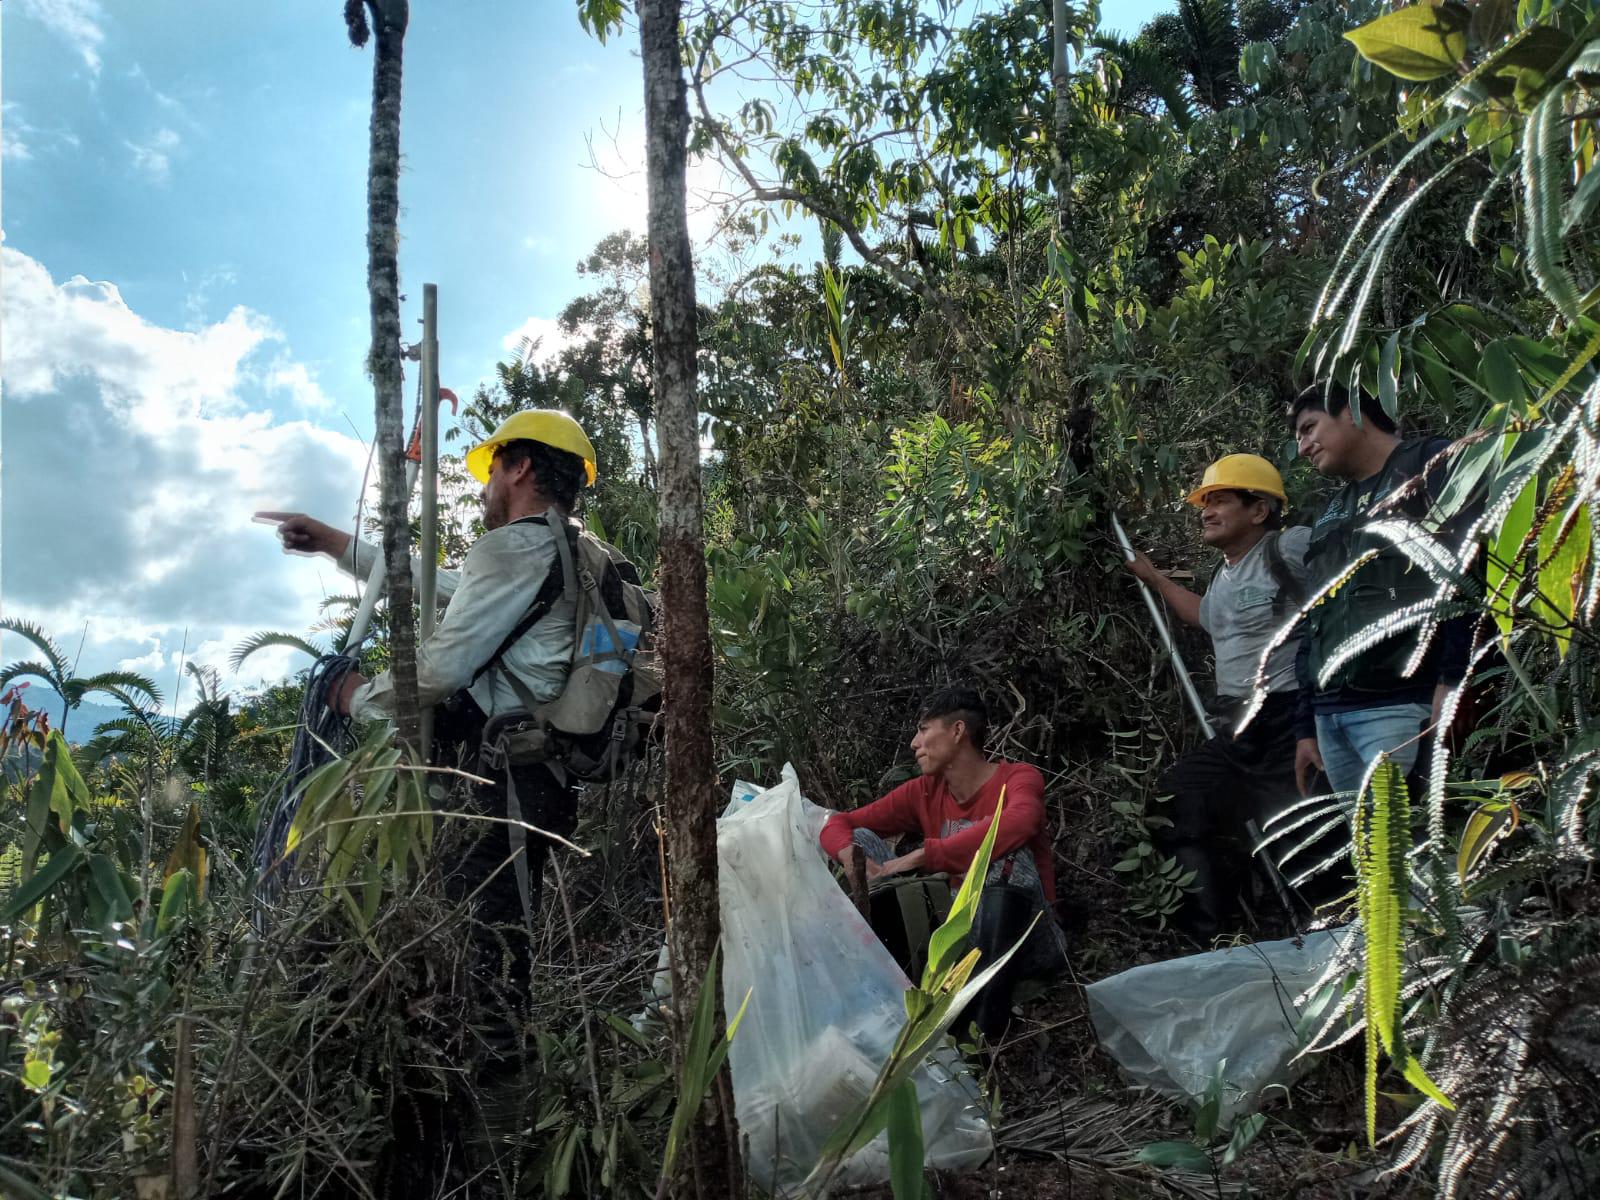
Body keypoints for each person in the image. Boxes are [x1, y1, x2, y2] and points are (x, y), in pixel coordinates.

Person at [258, 408, 598, 1186]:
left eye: (491, 469)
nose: (483, 485)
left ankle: (494, 1147)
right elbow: (447, 589)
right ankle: (488, 1128)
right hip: (536, 783)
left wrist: (354, 700)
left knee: (487, 958)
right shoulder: (567, 553)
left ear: (517, 468)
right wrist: (341, 545)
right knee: (494, 950)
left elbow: (440, 668)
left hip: (508, 788)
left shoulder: (515, 547)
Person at [1123, 454, 1312, 940]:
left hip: (1288, 718)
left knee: (1300, 833)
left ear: (1260, 510)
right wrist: (1156, 579)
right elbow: (1206, 618)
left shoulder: (1289, 547)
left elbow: (1347, 584)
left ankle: (1323, 933)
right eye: (1205, 502)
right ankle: (1211, 935)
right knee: (1174, 800)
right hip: (1236, 727)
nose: (1206, 511)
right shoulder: (1225, 575)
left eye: (1221, 500)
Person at [819, 686, 1067, 1043]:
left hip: (1026, 943)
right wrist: (851, 857)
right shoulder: (924, 790)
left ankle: (984, 1031)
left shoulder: (1018, 778)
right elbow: (836, 823)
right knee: (861, 841)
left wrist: (923, 855)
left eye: (923, 729)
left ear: (957, 731)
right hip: (958, 941)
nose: (914, 743)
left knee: (1006, 856)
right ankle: (893, 986)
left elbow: (1019, 822)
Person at [1288, 386, 1467, 798]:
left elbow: (1471, 568)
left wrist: (1456, 677)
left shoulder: (1432, 464)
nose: (1302, 448)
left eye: (1309, 428)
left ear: (1350, 411)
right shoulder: (1332, 512)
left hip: (1406, 703)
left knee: (1418, 842)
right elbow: (1314, 616)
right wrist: (1306, 724)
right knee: (1372, 856)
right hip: (1332, 715)